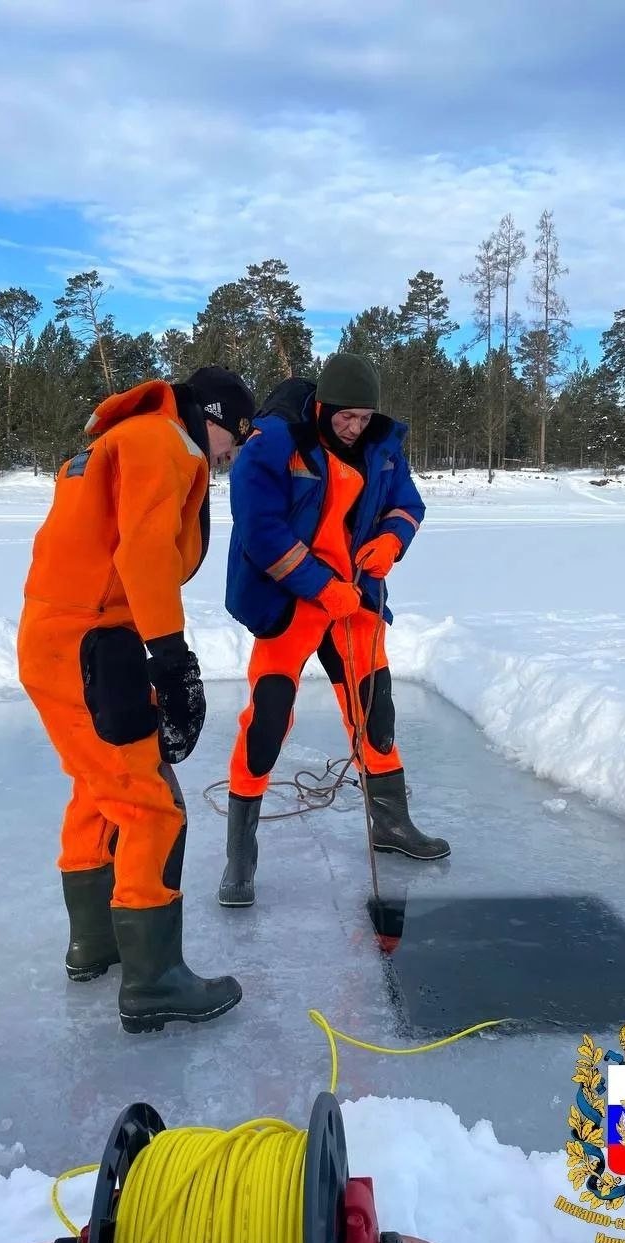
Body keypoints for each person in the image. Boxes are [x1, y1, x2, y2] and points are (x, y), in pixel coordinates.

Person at [17, 366, 255, 1031]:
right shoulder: (163, 443)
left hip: (52, 637)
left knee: (98, 790)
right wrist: (172, 660)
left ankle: (95, 945)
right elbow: (144, 552)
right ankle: (154, 980)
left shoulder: (115, 441)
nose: (225, 462)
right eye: (229, 446)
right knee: (152, 806)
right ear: (211, 419)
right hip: (94, 646)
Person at [218, 352, 450, 907]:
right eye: (344, 416)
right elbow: (260, 529)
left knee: (376, 709)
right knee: (269, 717)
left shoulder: (383, 445)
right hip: (291, 600)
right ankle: (240, 856)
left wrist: (391, 541)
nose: (354, 427)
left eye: (363, 417)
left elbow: (409, 504)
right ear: (321, 405)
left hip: (356, 603)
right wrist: (323, 587)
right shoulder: (273, 443)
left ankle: (390, 824)